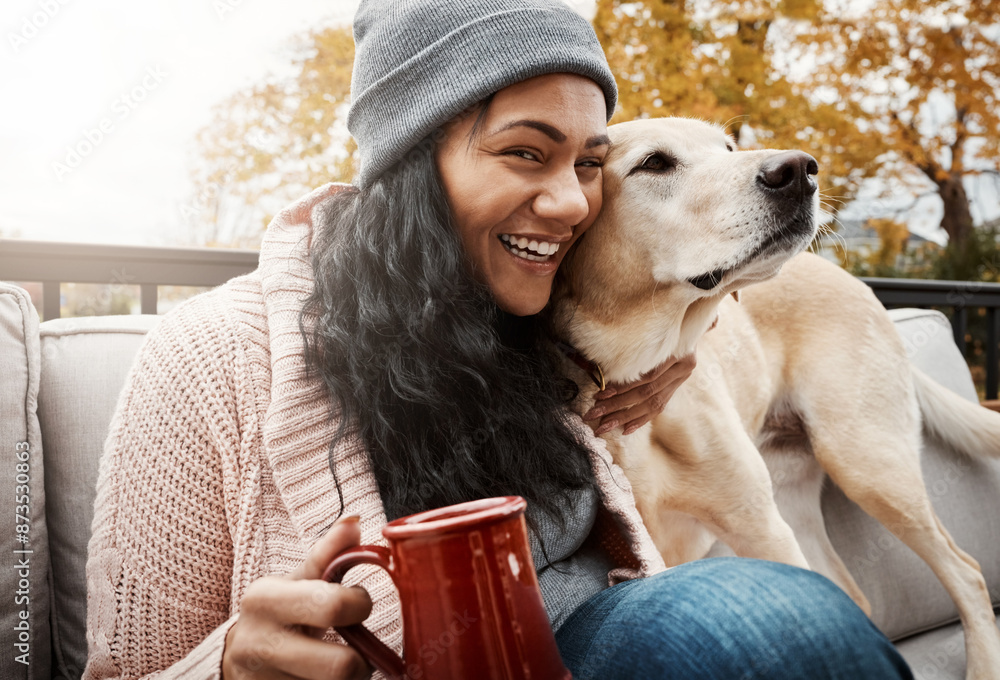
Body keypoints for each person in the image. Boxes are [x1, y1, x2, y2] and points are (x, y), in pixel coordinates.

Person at [82, 1, 915, 679]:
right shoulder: (207, 357)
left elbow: (677, 267)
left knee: (771, 621)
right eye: (525, 153)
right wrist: (225, 668)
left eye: (588, 163)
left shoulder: (550, 311)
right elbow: (123, 670)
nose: (569, 204)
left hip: (608, 638)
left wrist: (681, 349)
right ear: (412, 166)